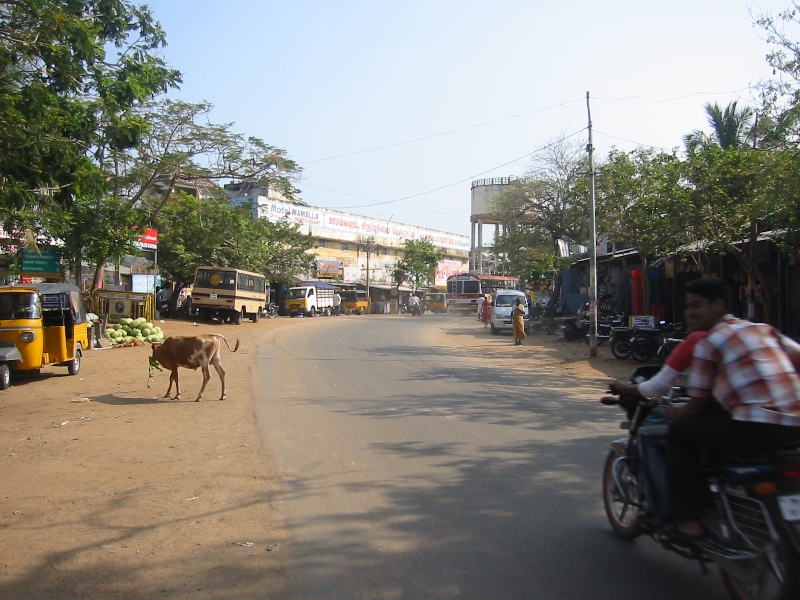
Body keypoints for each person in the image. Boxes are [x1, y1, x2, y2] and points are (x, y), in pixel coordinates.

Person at [661, 277, 800, 537]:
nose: (690, 313)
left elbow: (696, 405)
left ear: (718, 305)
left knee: (679, 433)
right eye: (688, 306)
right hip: (795, 427)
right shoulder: (764, 330)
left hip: (755, 428)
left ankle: (687, 520)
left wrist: (674, 411)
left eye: (696, 305)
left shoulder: (708, 343)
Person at [608, 329, 708, 517]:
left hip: (730, 422)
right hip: (775, 424)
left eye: (695, 305)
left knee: (649, 434)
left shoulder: (702, 340)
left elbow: (658, 386)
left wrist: (627, 388)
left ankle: (666, 508)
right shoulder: (755, 333)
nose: (690, 314)